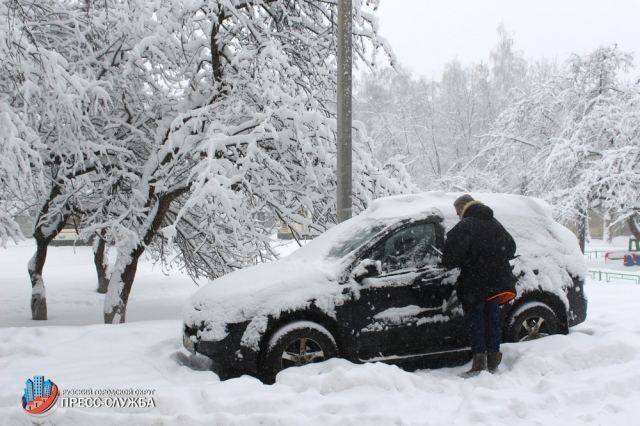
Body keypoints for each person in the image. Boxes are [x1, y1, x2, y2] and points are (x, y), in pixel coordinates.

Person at [442, 194, 517, 377]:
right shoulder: (494, 223)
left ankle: (479, 365)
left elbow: (450, 259)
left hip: (475, 283)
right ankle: (492, 362)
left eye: (458, 210)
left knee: (475, 321)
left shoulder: (466, 226)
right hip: (496, 282)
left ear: (464, 208)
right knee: (491, 320)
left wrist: (471, 259)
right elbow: (511, 247)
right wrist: (493, 258)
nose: (457, 214)